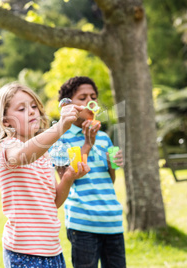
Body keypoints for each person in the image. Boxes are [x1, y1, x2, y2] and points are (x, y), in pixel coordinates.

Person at [0, 82, 90, 268]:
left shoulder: (44, 154)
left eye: (34, 106)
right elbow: (21, 156)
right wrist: (60, 127)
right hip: (23, 251)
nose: (32, 111)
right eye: (22, 108)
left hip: (52, 249)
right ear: (5, 121)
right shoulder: (8, 146)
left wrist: (68, 178)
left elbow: (53, 202)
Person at [55, 76, 125, 268]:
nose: (89, 101)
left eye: (93, 96)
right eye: (82, 97)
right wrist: (87, 144)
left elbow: (110, 180)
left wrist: (112, 165)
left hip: (112, 220)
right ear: (68, 105)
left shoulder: (103, 138)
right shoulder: (61, 139)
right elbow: (67, 180)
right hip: (83, 222)